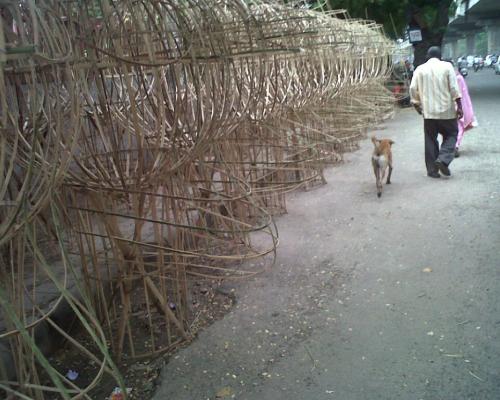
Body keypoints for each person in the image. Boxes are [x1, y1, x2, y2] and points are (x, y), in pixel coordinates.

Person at [409, 46, 463, 178]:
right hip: (447, 112)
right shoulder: (447, 67)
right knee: (452, 134)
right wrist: (459, 106)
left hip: (429, 113)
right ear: (440, 56)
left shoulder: (419, 69)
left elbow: (413, 88)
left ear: (427, 57)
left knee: (430, 140)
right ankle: (443, 159)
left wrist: (416, 105)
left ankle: (432, 170)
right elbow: (454, 88)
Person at [454, 69, 477, 157]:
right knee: (460, 127)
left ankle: (452, 146)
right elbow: (460, 94)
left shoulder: (446, 78)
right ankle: (455, 146)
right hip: (459, 105)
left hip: (450, 105)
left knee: (456, 127)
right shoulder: (458, 78)